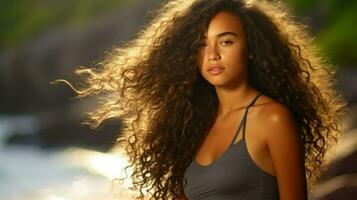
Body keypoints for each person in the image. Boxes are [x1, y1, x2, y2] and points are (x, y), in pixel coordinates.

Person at [61, 0, 347, 199]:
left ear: (251, 49)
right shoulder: (191, 126)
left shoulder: (271, 118)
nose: (212, 54)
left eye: (226, 41)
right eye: (201, 44)